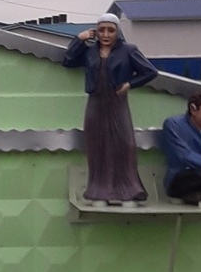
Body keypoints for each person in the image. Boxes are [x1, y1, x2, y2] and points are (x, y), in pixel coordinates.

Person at [63, 13, 158, 204]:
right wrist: (79, 39)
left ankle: (128, 191)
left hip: (117, 103)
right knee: (97, 147)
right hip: (95, 103)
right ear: (96, 31)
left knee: (124, 146)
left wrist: (129, 84)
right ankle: (98, 191)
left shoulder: (128, 50)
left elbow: (150, 72)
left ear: (118, 32)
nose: (106, 34)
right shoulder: (90, 51)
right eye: (101, 30)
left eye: (111, 30)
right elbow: (68, 61)